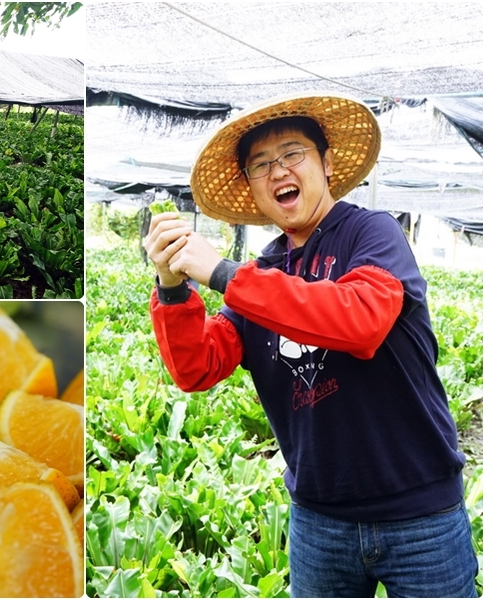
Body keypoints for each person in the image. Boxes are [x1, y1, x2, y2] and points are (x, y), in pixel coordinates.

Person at [144, 91, 478, 598]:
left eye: (293, 153)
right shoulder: (261, 275)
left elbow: (362, 321)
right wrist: (172, 287)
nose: (278, 170)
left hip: (421, 515)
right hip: (319, 523)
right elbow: (199, 367)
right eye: (261, 164)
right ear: (252, 188)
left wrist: (220, 271)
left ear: (325, 163)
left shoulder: (373, 235)